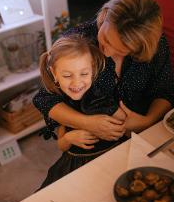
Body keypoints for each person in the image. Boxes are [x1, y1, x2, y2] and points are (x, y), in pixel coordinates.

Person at [33, 0, 174, 142]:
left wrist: (146, 122)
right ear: (105, 15)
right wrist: (88, 123)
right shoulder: (78, 42)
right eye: (105, 39)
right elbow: (45, 99)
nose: (107, 53)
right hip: (94, 138)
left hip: (143, 131)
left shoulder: (155, 45)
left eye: (121, 50)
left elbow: (165, 90)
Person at [37, 34, 127, 189]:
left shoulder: (101, 96)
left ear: (92, 70)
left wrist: (119, 125)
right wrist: (70, 138)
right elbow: (61, 144)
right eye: (67, 75)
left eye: (84, 74)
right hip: (77, 163)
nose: (77, 82)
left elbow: (125, 122)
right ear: (54, 73)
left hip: (113, 155)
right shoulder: (60, 105)